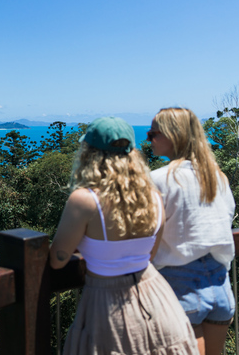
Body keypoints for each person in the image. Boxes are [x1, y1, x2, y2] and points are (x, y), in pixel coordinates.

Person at [49, 116, 199, 355]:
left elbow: (57, 260)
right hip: (158, 300)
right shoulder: (154, 197)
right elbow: (149, 255)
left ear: (89, 154)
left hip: (108, 305)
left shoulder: (85, 200)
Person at [149, 107, 236, 355]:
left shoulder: (159, 179)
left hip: (181, 286)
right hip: (220, 283)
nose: (149, 139)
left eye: (153, 133)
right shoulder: (217, 177)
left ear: (173, 135)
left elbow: (148, 232)